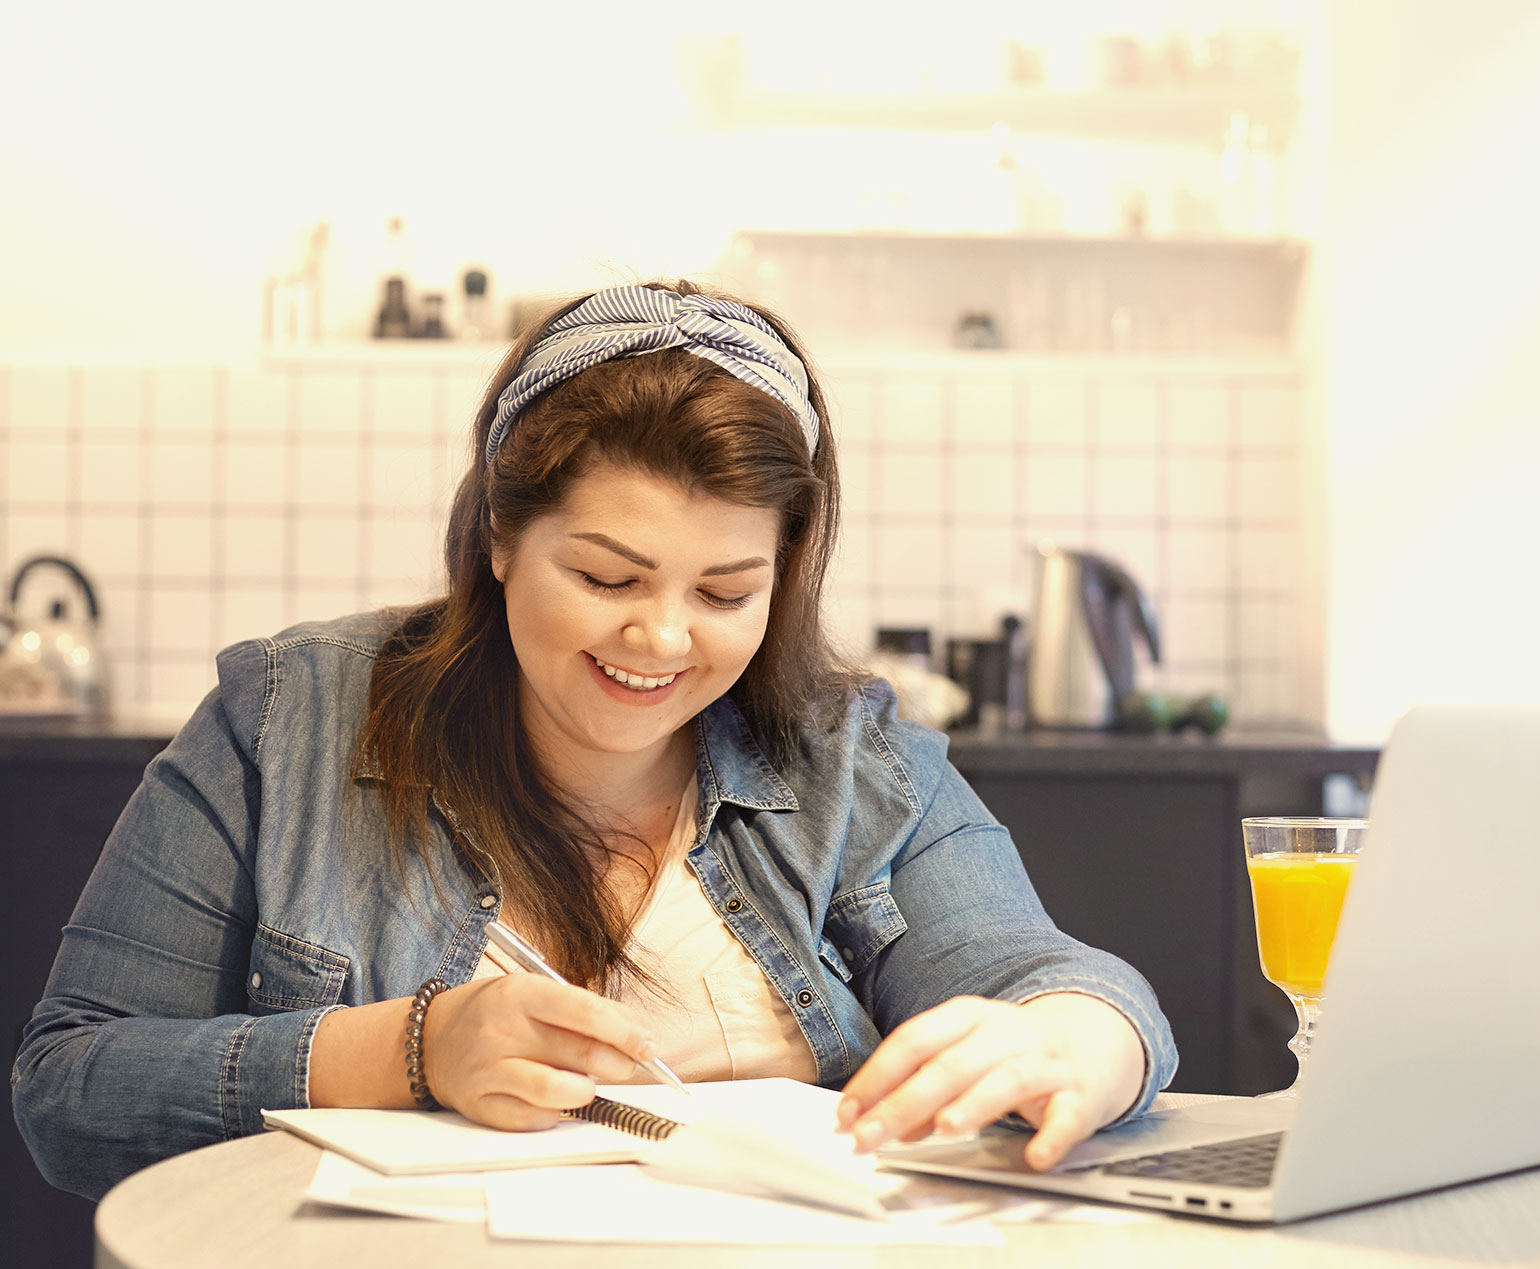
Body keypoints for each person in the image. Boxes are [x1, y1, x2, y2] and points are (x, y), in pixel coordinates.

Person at [13, 281, 1177, 1200]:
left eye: (727, 593)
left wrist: (1079, 1041)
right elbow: (69, 1092)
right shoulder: (289, 719)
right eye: (607, 575)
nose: (661, 636)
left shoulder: (852, 758)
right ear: (501, 540)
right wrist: (414, 1050)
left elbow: (1049, 981)